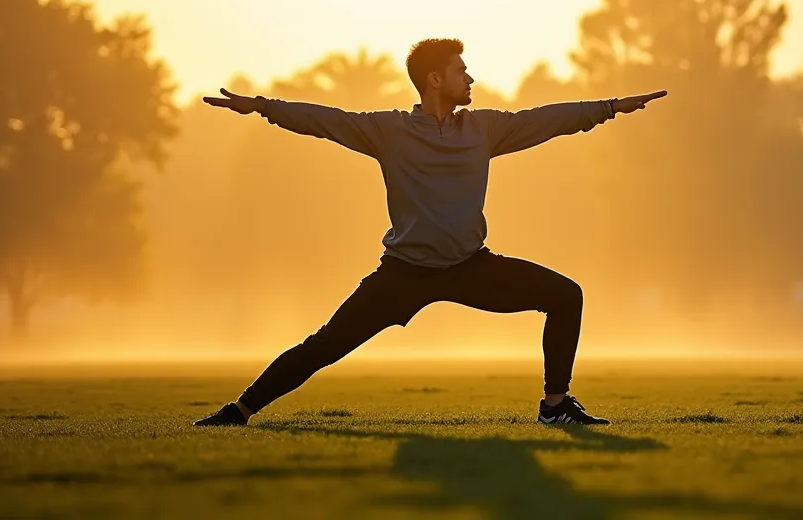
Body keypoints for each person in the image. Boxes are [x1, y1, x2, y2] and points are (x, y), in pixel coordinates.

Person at [193, 38, 667, 427]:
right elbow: (326, 121)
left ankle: (555, 405)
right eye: (463, 71)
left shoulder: (482, 130)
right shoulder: (389, 132)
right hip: (404, 273)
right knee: (323, 346)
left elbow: (544, 121)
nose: (471, 79)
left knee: (566, 296)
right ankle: (238, 412)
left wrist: (609, 107)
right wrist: (261, 107)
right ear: (435, 80)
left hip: (470, 268)